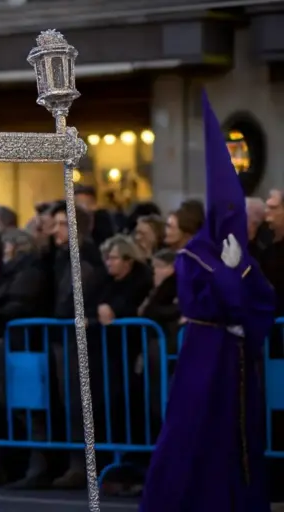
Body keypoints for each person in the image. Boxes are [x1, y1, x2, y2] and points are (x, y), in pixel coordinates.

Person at [140, 92, 276, 511]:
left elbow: (264, 303)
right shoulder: (194, 257)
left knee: (236, 435)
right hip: (205, 354)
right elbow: (206, 305)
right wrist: (228, 275)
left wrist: (240, 285)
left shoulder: (243, 256)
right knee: (195, 428)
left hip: (236, 358)